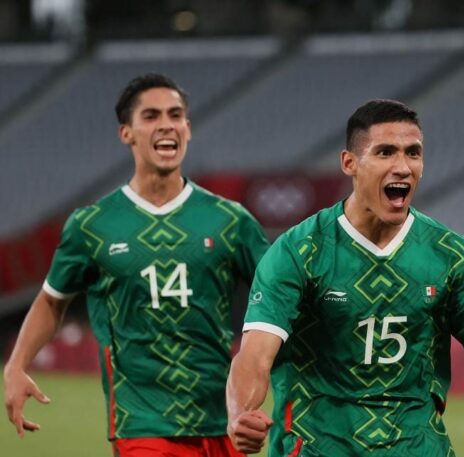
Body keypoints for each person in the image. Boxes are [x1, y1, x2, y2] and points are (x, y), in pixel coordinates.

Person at [225, 99, 464, 457]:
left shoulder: (449, 255)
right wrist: (241, 413)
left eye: (413, 153)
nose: (403, 166)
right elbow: (255, 355)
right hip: (318, 448)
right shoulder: (299, 251)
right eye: (385, 152)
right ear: (349, 163)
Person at [3, 73, 270, 456]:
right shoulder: (92, 226)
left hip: (222, 421)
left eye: (175, 115)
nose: (166, 124)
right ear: (126, 133)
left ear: (188, 128)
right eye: (151, 115)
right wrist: (16, 366)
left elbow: (276, 296)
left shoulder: (231, 221)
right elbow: (52, 300)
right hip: (142, 425)